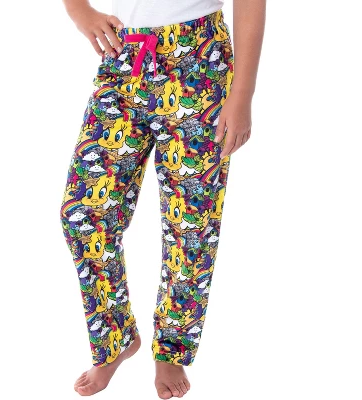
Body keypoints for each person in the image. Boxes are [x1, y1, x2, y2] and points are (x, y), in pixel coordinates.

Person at [59, 0, 265, 397]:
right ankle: (115, 338)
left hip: (199, 63)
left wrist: (242, 93)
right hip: (125, 55)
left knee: (191, 225)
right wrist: (80, 11)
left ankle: (171, 350)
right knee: (83, 213)